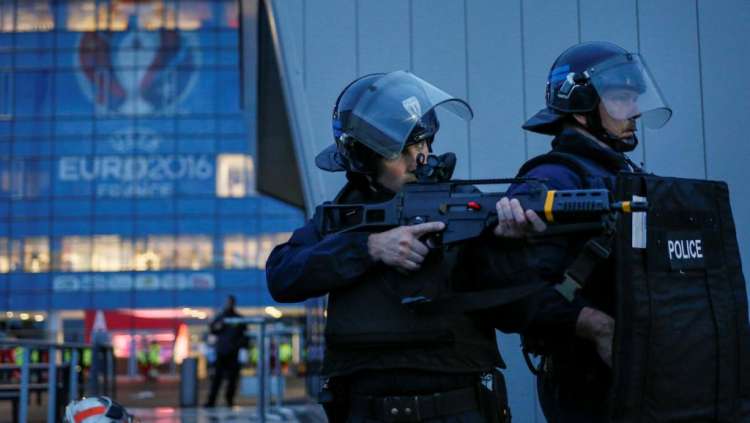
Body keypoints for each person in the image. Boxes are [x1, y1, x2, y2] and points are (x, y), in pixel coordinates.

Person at [266, 70, 563, 422]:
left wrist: (515, 245)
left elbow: (513, 310)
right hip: (367, 408)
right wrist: (371, 248)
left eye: (422, 144)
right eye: (400, 151)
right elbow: (282, 275)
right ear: (365, 159)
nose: (417, 159)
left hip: (456, 404)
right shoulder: (342, 217)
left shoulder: (462, 206)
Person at [509, 41, 672, 422]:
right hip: (587, 384)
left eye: (634, 98)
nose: (634, 111)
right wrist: (594, 325)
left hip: (641, 373)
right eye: (620, 98)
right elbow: (520, 290)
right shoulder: (551, 178)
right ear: (581, 108)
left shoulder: (624, 173)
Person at [204, 294, 248, 408]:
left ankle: (229, 400)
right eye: (227, 302)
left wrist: (239, 346)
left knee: (232, 379)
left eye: (230, 302)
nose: (229, 304)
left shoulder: (238, 318)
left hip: (233, 352)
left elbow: (244, 335)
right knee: (217, 378)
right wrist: (219, 326)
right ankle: (211, 401)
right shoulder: (221, 317)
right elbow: (212, 329)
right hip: (221, 351)